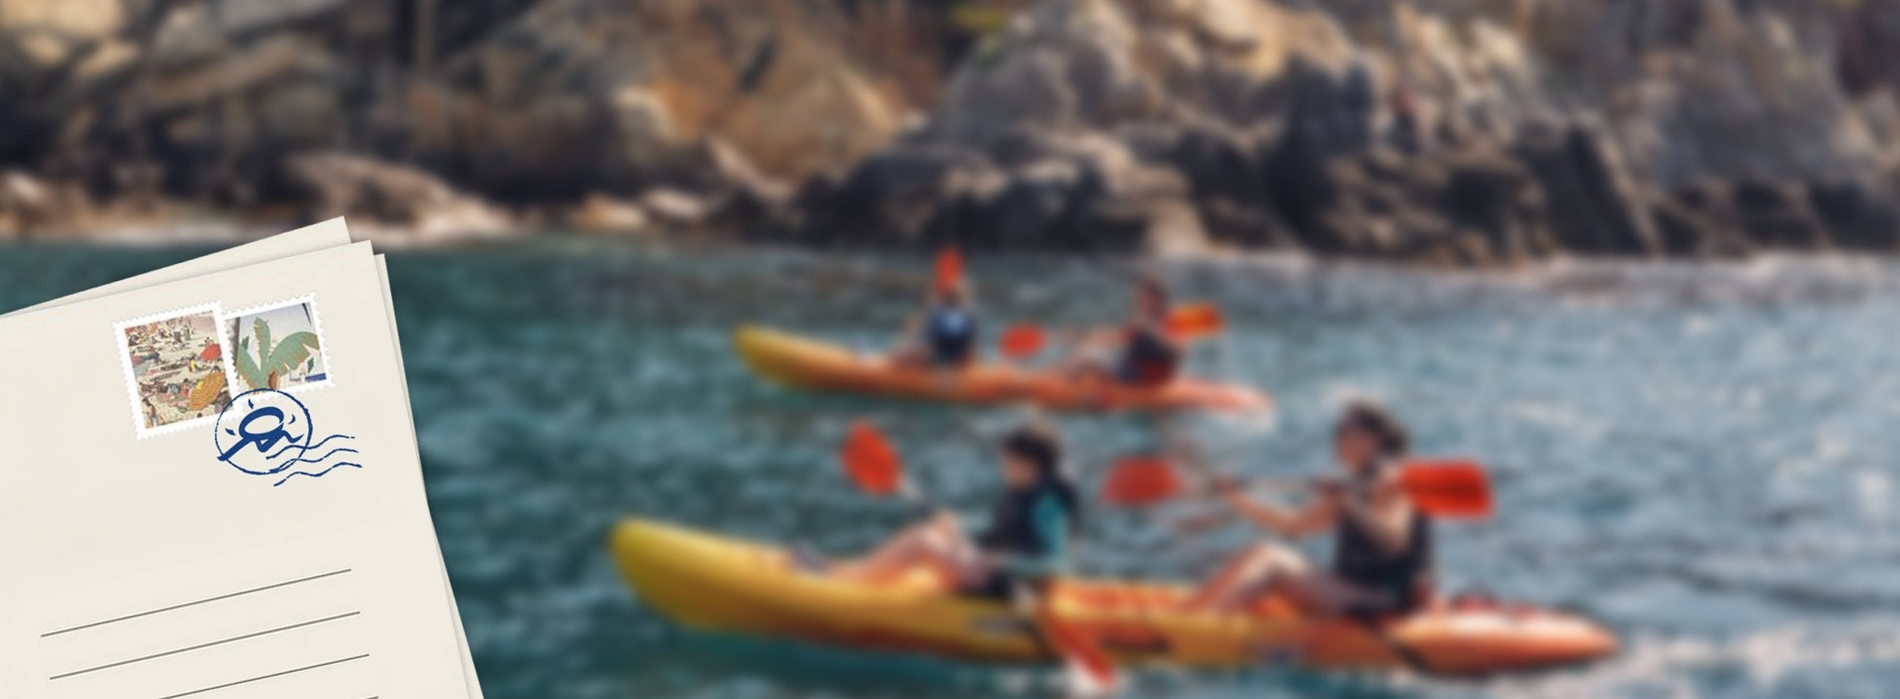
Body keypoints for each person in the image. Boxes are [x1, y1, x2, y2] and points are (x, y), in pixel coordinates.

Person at [1179, 402, 1434, 616]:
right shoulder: (1354, 483)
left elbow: (1395, 541)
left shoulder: (1394, 476)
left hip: (1383, 600)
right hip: (1353, 589)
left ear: (1374, 436)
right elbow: (1293, 524)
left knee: (1271, 560)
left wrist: (1348, 501)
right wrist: (1236, 497)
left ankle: (1195, 629)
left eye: (1344, 430)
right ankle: (1188, 618)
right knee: (1261, 549)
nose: (1336, 438)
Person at [827, 421, 1081, 600]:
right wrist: (962, 524)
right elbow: (1000, 530)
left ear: (1029, 465)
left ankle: (843, 585)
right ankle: (856, 573)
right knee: (930, 530)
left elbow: (1058, 563)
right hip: (996, 575)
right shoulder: (1024, 490)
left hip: (1015, 590)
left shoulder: (1049, 504)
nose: (1003, 465)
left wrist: (1005, 562)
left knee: (922, 543)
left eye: (1008, 460)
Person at [1057, 275, 1182, 387]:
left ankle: (1057, 382)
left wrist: (1151, 328)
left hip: (1140, 375)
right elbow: (1116, 337)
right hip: (1136, 371)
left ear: (1156, 300)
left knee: (1087, 357)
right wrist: (1080, 335)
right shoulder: (1142, 319)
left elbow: (1178, 351)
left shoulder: (1167, 321)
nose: (1138, 301)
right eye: (1139, 297)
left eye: (1143, 297)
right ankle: (1062, 378)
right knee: (1091, 349)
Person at [890, 281, 980, 369]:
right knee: (909, 346)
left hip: (943, 357)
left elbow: (963, 343)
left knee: (909, 350)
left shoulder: (960, 316)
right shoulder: (945, 313)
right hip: (942, 353)